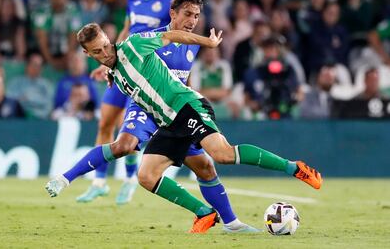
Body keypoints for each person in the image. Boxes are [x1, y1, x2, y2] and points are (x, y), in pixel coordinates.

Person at [46, 22, 323, 233]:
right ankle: (206, 213)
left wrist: (207, 42)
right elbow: (118, 73)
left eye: (106, 46)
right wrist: (107, 72)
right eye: (97, 52)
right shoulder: (115, 73)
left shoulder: (131, 45)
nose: (105, 53)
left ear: (109, 39)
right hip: (169, 123)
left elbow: (172, 35)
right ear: (87, 53)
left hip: (187, 106)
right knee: (147, 176)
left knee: (223, 155)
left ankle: (295, 168)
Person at [77, 0, 258, 234]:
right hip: (145, 106)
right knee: (125, 142)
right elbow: (126, 55)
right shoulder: (152, 34)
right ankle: (113, 180)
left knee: (205, 167)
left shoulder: (192, 45)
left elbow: (182, 81)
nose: (192, 20)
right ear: (173, 12)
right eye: (188, 14)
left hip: (177, 112)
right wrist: (109, 67)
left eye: (196, 16)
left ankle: (230, 223)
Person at [79, 0, 172, 206]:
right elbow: (127, 29)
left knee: (127, 130)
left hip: (145, 70)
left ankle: (130, 180)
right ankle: (99, 183)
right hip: (120, 63)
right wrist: (109, 56)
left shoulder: (171, 0)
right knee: (105, 123)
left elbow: (171, 36)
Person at [7, 52, 53, 119]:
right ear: (27, 65)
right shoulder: (15, 82)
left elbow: (49, 105)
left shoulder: (47, 85)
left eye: (40, 65)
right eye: (35, 65)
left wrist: (29, 99)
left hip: (41, 121)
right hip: (19, 119)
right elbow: (9, 101)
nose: (37, 68)